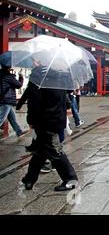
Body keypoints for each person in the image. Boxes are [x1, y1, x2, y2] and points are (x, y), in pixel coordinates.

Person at [21, 63, 78, 191]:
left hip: (44, 120)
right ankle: (29, 179)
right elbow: (66, 97)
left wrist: (31, 120)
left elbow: (33, 103)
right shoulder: (60, 76)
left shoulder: (37, 78)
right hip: (57, 118)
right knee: (41, 151)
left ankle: (70, 179)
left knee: (55, 151)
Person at [0, 63, 26, 137]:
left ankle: (19, 132)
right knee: (1, 118)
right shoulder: (8, 76)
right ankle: (19, 132)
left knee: (12, 118)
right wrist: (21, 77)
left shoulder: (1, 75)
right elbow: (18, 85)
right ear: (8, 68)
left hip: (3, 99)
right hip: (6, 100)